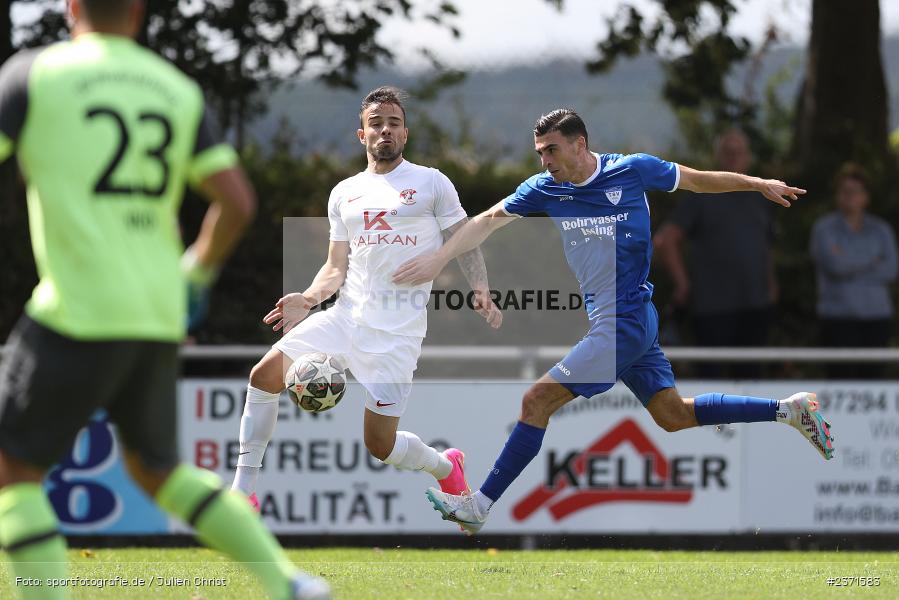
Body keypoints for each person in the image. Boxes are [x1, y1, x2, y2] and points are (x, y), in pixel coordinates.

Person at [0, 1, 328, 598]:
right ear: (139, 10)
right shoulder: (174, 88)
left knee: (13, 471)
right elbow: (236, 201)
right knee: (159, 473)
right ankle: (290, 585)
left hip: (74, 307)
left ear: (71, 7)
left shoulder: (33, 75)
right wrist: (195, 277)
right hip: (156, 313)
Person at [392, 109, 834, 535]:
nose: (544, 161)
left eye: (551, 150)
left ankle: (479, 505)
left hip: (625, 321)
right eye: (539, 153)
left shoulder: (633, 171)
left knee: (536, 401)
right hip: (627, 321)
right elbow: (487, 220)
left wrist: (756, 184)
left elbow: (698, 181)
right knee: (672, 414)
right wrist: (441, 259)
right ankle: (787, 410)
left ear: (579, 144)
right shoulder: (545, 188)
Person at [230, 86, 501, 511]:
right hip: (345, 318)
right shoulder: (345, 192)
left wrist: (481, 287)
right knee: (263, 376)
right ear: (362, 135)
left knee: (380, 445)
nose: (385, 131)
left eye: (393, 123)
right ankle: (242, 493)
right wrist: (309, 297)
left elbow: (465, 239)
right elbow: (336, 266)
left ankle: (446, 467)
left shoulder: (431, 183)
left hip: (397, 336)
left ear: (405, 134)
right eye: (376, 124)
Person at [653, 128, 776, 378]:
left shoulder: (761, 195)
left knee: (752, 380)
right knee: (712, 381)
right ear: (717, 156)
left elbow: (765, 244)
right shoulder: (701, 194)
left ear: (748, 157)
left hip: (754, 303)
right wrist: (682, 283)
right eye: (728, 152)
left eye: (739, 152)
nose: (734, 158)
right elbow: (666, 239)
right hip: (712, 306)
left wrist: (771, 284)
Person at [810, 163, 898, 379]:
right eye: (844, 191)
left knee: (873, 381)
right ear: (837, 196)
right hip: (838, 319)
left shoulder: (881, 230)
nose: (849, 197)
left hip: (876, 318)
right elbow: (835, 267)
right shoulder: (824, 228)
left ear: (866, 197)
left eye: (855, 191)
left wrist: (848, 259)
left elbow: (890, 270)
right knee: (840, 381)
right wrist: (872, 260)